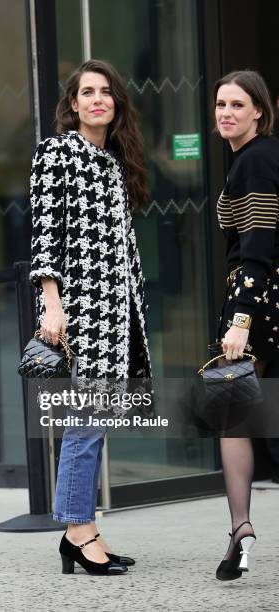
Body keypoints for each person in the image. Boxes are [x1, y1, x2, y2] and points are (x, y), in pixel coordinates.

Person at [29, 59, 151, 575]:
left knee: (95, 425)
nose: (98, 99)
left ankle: (82, 530)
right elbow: (44, 236)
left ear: (116, 104)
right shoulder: (57, 152)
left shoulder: (115, 161)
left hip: (116, 315)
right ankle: (79, 532)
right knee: (85, 425)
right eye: (87, 92)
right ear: (73, 104)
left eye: (107, 92)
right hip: (79, 314)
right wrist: (51, 304)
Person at [213, 70, 279, 580]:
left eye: (238, 104)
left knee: (235, 413)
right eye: (220, 104)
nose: (226, 112)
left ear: (259, 110)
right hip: (255, 297)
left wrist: (241, 322)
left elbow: (257, 246)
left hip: (258, 301)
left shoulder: (256, 159)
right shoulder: (246, 158)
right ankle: (238, 528)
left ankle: (241, 526)